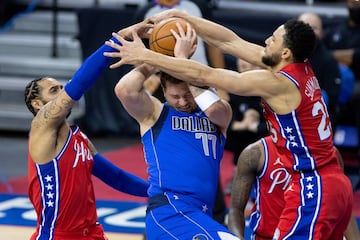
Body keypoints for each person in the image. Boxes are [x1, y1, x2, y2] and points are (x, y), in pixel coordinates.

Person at [103, 11, 354, 239]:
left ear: (285, 52)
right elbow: (230, 42)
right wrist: (183, 18)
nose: (267, 40)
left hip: (313, 185)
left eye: (274, 38)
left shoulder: (277, 82)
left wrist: (146, 55)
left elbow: (205, 76)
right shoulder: (295, 65)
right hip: (333, 181)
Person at [112, 23, 238, 239]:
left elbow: (215, 108)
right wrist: (154, 57)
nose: (182, 102)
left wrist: (184, 64)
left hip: (200, 213)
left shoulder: (219, 114)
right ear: (163, 91)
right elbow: (125, 90)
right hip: (169, 209)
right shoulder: (155, 114)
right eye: (174, 96)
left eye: (187, 95)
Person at [24, 23, 150, 239]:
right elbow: (81, 81)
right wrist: (120, 37)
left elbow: (116, 177)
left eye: (62, 88)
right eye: (54, 90)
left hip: (92, 232)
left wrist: (158, 192)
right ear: (37, 104)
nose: (63, 93)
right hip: (58, 235)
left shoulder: (79, 137)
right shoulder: (41, 127)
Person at [228, 136, 360, 240]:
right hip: (267, 236)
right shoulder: (255, 153)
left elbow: (342, 205)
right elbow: (235, 209)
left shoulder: (330, 155)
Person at [323, 0, 360, 158]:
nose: (356, 5)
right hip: (333, 81)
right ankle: (323, 153)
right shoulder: (335, 30)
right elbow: (323, 56)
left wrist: (333, 56)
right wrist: (350, 56)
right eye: (353, 2)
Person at [224, 59, 267, 195]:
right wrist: (242, 124)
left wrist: (255, 126)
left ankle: (262, 178)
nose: (247, 70)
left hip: (262, 135)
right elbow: (226, 121)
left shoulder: (267, 92)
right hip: (240, 136)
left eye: (252, 66)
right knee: (240, 136)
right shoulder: (233, 92)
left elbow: (275, 123)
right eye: (243, 67)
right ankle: (239, 174)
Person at [298, 12, 341, 129]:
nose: (308, 31)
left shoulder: (328, 60)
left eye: (314, 28)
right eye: (304, 26)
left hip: (318, 115)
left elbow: (331, 98)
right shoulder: (286, 55)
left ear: (322, 33)